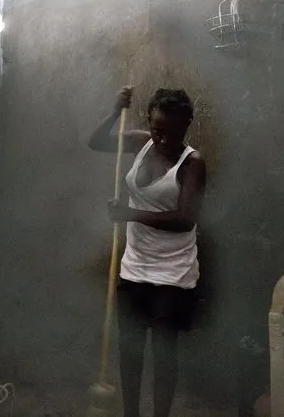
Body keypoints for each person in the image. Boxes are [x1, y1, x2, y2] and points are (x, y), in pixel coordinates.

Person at [88, 86, 206, 417]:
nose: (164, 138)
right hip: (134, 266)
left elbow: (185, 220)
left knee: (164, 356)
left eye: (173, 131)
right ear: (149, 123)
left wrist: (130, 214)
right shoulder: (142, 142)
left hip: (173, 272)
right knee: (131, 351)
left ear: (186, 125)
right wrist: (114, 110)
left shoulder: (192, 163)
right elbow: (95, 142)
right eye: (157, 130)